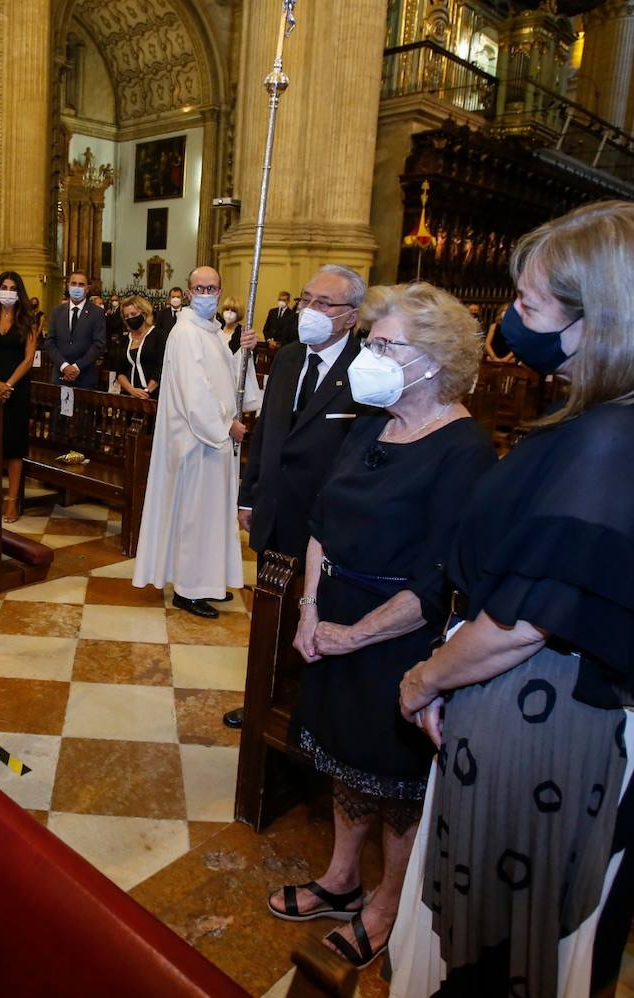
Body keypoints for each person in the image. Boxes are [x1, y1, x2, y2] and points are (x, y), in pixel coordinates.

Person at [390, 201, 634, 996]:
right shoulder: (631, 423)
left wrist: (427, 677)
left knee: (494, 953)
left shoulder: (617, 440)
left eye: (530, 308)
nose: (515, 323)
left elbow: (524, 620)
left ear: (600, 319)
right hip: (529, 707)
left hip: (545, 720)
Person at [266, 283, 495, 973]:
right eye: (370, 341)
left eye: (384, 344)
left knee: (394, 784)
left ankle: (386, 906)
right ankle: (341, 879)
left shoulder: (466, 451)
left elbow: (440, 583)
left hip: (398, 642)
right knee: (343, 762)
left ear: (431, 360)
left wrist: (353, 635)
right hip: (331, 621)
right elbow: (320, 526)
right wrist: (310, 611)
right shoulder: (369, 422)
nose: (368, 354)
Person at [224, 264, 374, 730]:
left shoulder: (366, 370)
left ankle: (304, 710)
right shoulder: (288, 357)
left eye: (323, 304)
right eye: (307, 298)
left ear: (350, 317)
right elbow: (267, 430)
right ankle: (262, 699)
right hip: (274, 511)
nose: (309, 310)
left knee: (315, 617)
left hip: (324, 526)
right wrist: (247, 497)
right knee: (271, 615)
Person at [133, 266, 260, 618]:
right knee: (194, 517)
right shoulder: (186, 333)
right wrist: (227, 424)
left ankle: (208, 581)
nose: (207, 293)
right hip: (196, 441)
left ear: (220, 291)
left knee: (212, 517)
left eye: (213, 287)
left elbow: (224, 377)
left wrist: (243, 352)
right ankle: (188, 589)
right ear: (189, 292)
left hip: (213, 443)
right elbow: (195, 392)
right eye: (200, 288)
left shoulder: (212, 331)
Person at [0, 271, 39, 522]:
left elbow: (28, 358)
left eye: (13, 288)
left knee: (14, 446)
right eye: (4, 287)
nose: (9, 292)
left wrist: (8, 385)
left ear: (19, 292)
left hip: (17, 388)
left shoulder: (28, 320)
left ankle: (12, 501)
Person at [47, 270, 107, 388]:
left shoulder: (97, 312)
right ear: (68, 286)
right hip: (60, 376)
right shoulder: (57, 311)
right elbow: (50, 342)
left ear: (87, 288)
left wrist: (76, 367)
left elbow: (99, 344)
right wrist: (64, 366)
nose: (76, 287)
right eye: (73, 284)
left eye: (81, 284)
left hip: (85, 378)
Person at [115, 294, 164, 399]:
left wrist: (146, 391)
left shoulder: (159, 335)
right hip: (130, 395)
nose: (130, 318)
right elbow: (120, 371)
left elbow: (162, 368)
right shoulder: (125, 340)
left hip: (154, 395)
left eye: (133, 314)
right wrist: (132, 390)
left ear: (144, 313)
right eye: (126, 316)